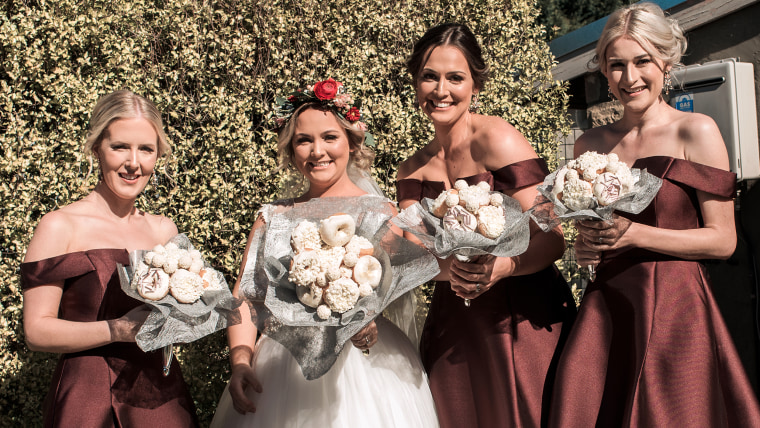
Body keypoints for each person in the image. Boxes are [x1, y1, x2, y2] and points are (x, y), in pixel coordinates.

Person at [548, 3, 760, 426]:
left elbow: (723, 240)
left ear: (665, 60)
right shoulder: (590, 142)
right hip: (607, 309)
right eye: (617, 65)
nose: (630, 78)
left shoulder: (695, 130)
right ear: (604, 73)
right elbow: (592, 235)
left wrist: (635, 237)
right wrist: (588, 245)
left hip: (677, 311)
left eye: (642, 61)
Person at [211, 79, 439, 427]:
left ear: (351, 141)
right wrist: (240, 360)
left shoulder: (382, 214)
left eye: (329, 137)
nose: (317, 151)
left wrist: (368, 320)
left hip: (368, 368)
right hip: (284, 367)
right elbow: (245, 299)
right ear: (291, 149)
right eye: (304, 140)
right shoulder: (272, 218)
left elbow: (398, 287)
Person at [396, 23, 577, 428]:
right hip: (454, 325)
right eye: (429, 76)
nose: (441, 89)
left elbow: (552, 231)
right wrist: (456, 273)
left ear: (474, 84)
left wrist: (504, 266)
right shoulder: (411, 169)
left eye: (455, 77)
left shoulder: (500, 139)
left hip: (522, 316)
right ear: (415, 83)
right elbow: (411, 257)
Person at [20, 90, 198, 427]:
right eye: (120, 147)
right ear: (96, 149)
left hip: (160, 399)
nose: (134, 162)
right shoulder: (60, 225)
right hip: (88, 400)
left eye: (146, 149)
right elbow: (37, 331)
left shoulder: (164, 229)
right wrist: (118, 330)